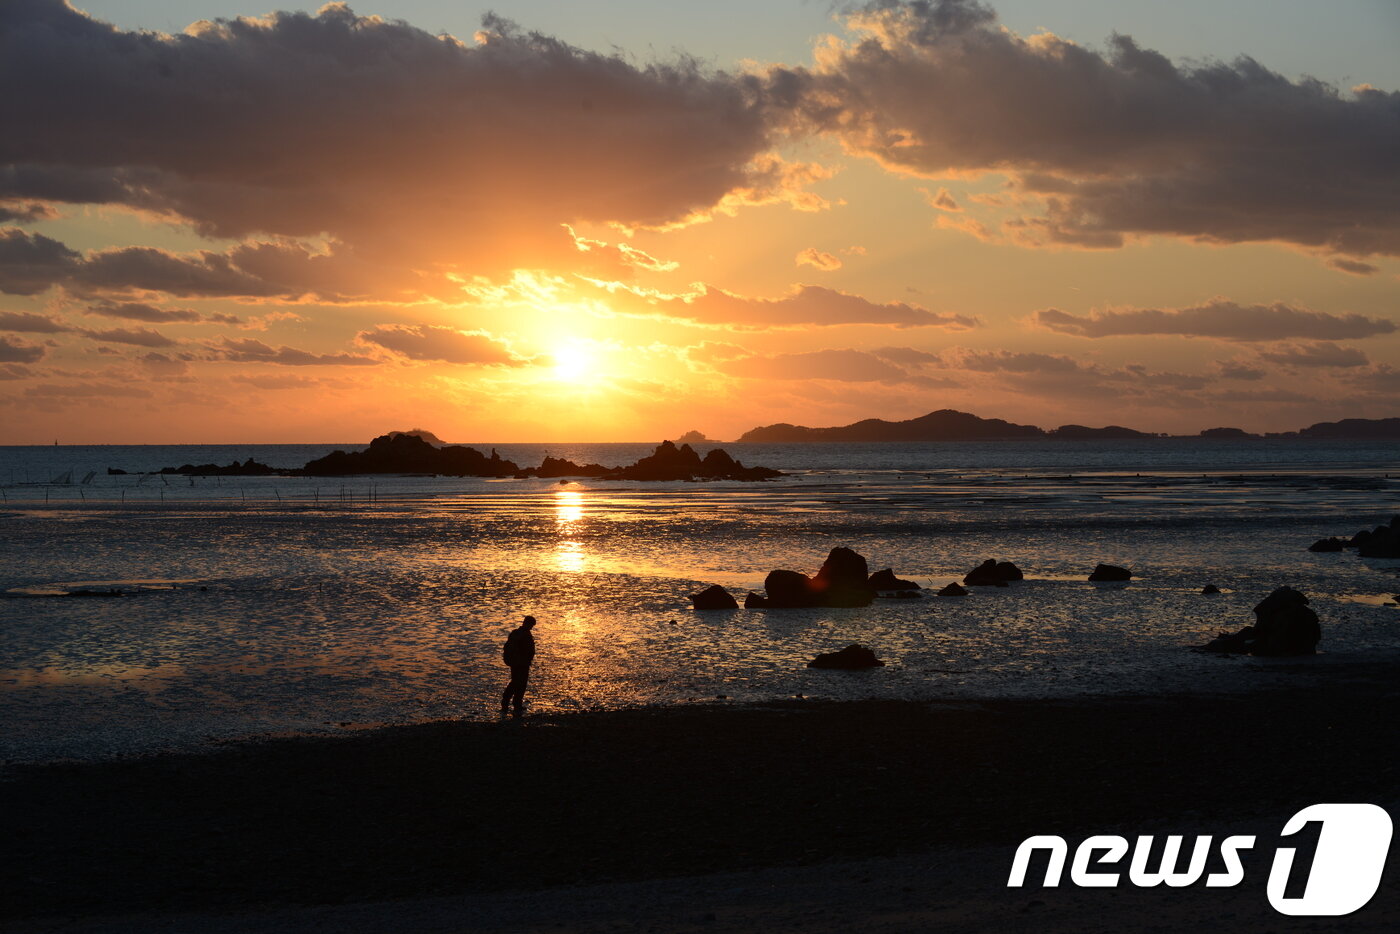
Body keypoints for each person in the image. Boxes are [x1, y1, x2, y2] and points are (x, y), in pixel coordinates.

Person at [501, 615, 537, 714]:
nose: (531, 627)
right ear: (528, 624)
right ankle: (515, 704)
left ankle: (507, 703)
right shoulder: (525, 635)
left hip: (515, 663)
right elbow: (527, 651)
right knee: (520, 684)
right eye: (532, 625)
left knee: (515, 682)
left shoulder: (515, 633)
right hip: (522, 663)